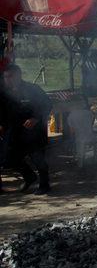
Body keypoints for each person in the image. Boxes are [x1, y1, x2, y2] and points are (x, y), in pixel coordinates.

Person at [3, 64, 52, 194]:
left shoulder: (32, 89)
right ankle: (29, 176)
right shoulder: (3, 93)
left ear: (19, 75)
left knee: (38, 158)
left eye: (10, 76)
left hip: (34, 130)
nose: (8, 79)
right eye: (5, 77)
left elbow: (47, 104)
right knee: (9, 158)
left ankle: (44, 185)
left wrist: (36, 118)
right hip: (14, 131)